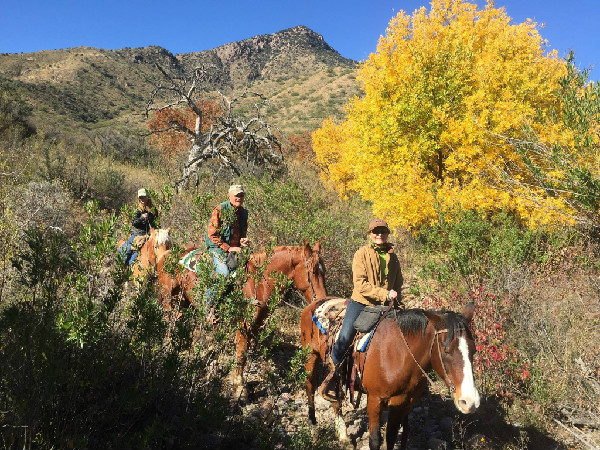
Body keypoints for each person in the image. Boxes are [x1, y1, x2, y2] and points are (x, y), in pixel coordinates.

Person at [318, 218, 403, 401]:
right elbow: (360, 284)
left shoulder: (393, 257)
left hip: (386, 304)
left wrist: (399, 304)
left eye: (382, 231)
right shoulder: (361, 254)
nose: (379, 234)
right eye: (375, 231)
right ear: (370, 235)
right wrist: (385, 294)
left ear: (387, 234)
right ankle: (332, 377)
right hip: (362, 302)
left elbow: (398, 284)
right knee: (346, 336)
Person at [204, 184, 250, 304]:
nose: (239, 198)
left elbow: (242, 233)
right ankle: (207, 307)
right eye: (236, 195)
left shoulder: (244, 213)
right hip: (217, 248)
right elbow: (212, 234)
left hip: (235, 250)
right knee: (223, 274)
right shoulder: (220, 209)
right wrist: (228, 248)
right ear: (229, 196)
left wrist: (243, 241)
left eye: (241, 195)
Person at [122, 188, 158, 264]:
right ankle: (125, 265)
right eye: (140, 197)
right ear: (138, 198)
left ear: (147, 197)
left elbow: (156, 220)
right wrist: (141, 218)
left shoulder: (153, 209)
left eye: (144, 196)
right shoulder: (137, 210)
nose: (142, 199)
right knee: (127, 250)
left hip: (149, 234)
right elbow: (134, 223)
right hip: (137, 234)